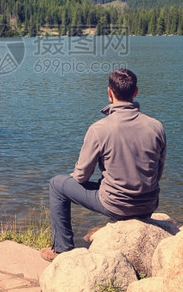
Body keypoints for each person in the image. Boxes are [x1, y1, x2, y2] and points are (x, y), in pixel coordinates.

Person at [42, 68, 166, 261]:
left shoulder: (99, 129)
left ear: (109, 92)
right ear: (136, 92)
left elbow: (82, 175)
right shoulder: (156, 126)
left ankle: (61, 249)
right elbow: (157, 173)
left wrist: (81, 179)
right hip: (149, 203)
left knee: (57, 185)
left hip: (116, 205)